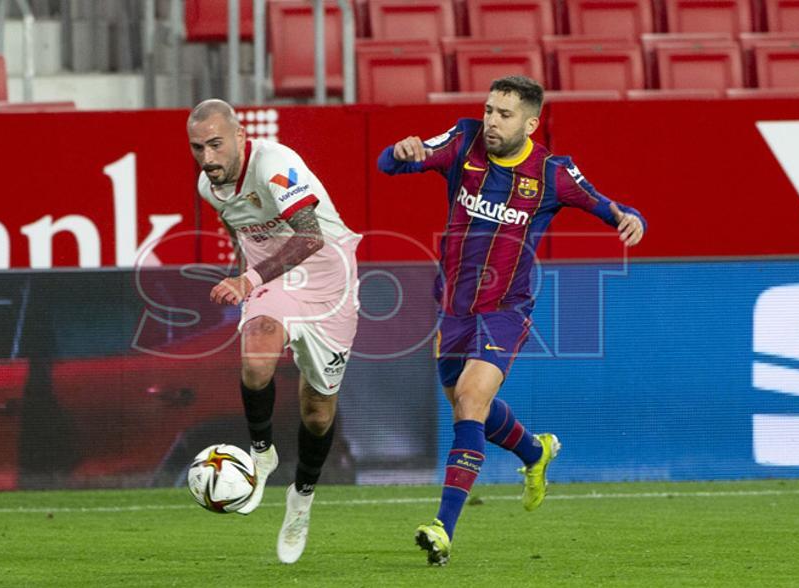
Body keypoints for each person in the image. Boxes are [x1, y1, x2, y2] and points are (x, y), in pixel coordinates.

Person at [377, 76, 647, 566]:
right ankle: (534, 452)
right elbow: (388, 164)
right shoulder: (462, 142)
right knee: (467, 405)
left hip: (506, 309)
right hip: (454, 307)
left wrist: (633, 218)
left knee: (471, 400)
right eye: (488, 110)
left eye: (503, 114)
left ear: (530, 122)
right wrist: (399, 151)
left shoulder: (552, 173)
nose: (491, 121)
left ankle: (443, 528)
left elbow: (609, 207)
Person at [188, 99, 362, 564]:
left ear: (241, 137)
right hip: (276, 281)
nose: (208, 158)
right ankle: (262, 453)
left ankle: (301, 498)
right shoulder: (210, 187)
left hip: (330, 282)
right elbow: (242, 234)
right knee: (258, 347)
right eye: (198, 147)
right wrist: (248, 283)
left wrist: (248, 280)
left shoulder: (276, 164)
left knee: (318, 412)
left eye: (216, 145)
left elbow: (310, 237)